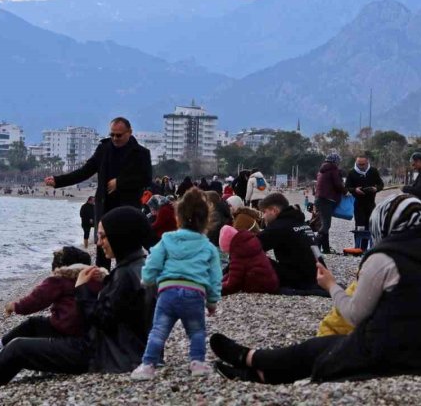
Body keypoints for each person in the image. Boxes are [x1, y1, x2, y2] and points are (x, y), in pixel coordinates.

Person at [209, 193, 421, 383]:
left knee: (321, 349)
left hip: (394, 354)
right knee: (326, 350)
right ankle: (257, 371)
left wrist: (331, 285)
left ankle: (251, 359)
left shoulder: (385, 259)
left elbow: (355, 314)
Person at [0, 208, 152, 402]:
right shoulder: (134, 268)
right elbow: (121, 313)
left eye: (103, 236)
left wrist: (81, 289)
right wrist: (106, 280)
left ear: (121, 236)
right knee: (33, 330)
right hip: (114, 350)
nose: (98, 242)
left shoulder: (126, 275)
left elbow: (102, 319)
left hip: (101, 355)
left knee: (19, 347)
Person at [132, 189, 222, 380]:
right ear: (206, 221)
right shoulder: (208, 247)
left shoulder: (167, 239)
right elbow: (215, 276)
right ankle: (197, 363)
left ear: (177, 218)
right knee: (197, 331)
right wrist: (212, 301)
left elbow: (153, 262)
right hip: (194, 294)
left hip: (168, 293)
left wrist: (146, 280)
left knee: (158, 331)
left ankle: (148, 365)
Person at [46, 117, 153, 268]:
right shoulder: (103, 149)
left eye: (119, 135)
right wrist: (58, 181)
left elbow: (146, 179)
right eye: (112, 135)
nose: (115, 138)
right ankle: (103, 288)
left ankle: (128, 285)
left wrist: (120, 182)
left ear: (129, 132)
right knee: (102, 254)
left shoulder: (141, 153)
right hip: (104, 210)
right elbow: (85, 171)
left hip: (128, 211)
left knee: (127, 252)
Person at [0, 246, 100, 357]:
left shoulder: (60, 279)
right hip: (88, 333)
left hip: (67, 330)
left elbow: (36, 300)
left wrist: (15, 306)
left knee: (34, 324)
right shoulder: (95, 280)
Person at [256, 193, 321, 290]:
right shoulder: (298, 220)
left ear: (274, 210)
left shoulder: (279, 226)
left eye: (264, 212)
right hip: (320, 275)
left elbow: (249, 245)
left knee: (253, 258)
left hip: (298, 279)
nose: (263, 217)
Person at [219, 225, 279, 295]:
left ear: (229, 246)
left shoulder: (239, 254)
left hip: (260, 288)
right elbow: (233, 273)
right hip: (271, 284)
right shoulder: (247, 244)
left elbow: (233, 284)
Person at [315, 153, 346, 254]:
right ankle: (315, 248)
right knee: (326, 225)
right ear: (335, 161)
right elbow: (338, 185)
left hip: (319, 199)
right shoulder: (333, 170)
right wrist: (346, 191)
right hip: (328, 200)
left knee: (324, 224)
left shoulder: (322, 170)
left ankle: (326, 249)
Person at [344, 154, 384, 230]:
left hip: (371, 203)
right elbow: (347, 187)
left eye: (363, 164)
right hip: (358, 204)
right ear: (356, 162)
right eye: (359, 164)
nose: (361, 166)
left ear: (367, 162)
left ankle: (371, 242)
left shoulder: (373, 171)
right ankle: (360, 242)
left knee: (371, 227)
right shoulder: (351, 172)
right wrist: (355, 190)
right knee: (360, 228)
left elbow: (381, 184)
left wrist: (376, 189)